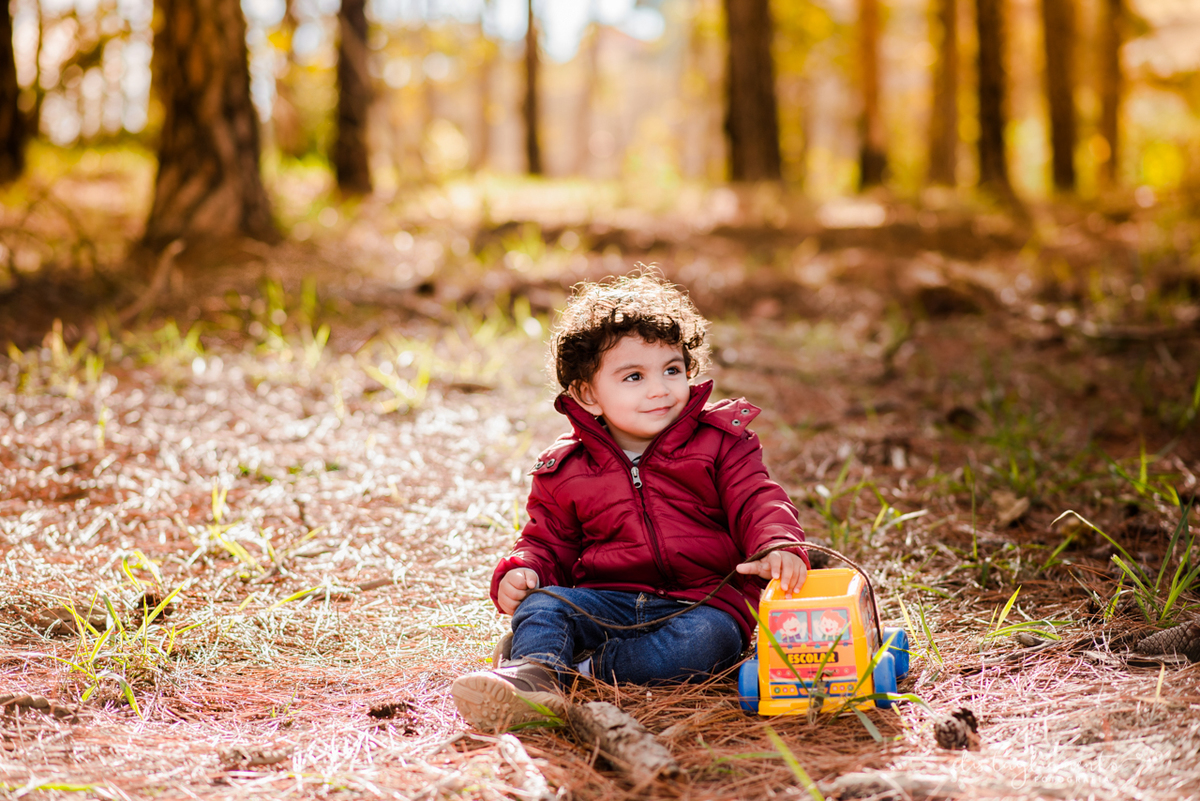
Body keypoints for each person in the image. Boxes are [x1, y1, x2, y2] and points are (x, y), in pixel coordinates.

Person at [451, 272, 809, 732]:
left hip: (700, 603)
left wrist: (776, 542)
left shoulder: (723, 444)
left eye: (672, 370)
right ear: (587, 394)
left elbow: (757, 499)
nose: (659, 389)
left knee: (707, 643)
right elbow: (548, 541)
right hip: (607, 602)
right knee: (544, 606)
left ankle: (570, 671)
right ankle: (533, 672)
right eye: (634, 376)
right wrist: (525, 568)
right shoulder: (566, 468)